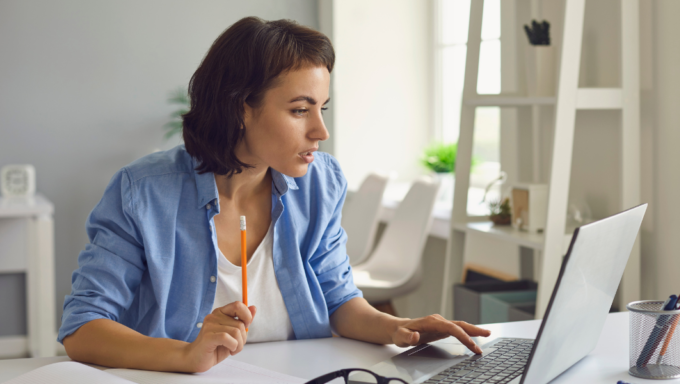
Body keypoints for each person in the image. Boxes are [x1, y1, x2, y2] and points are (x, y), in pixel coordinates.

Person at [59, 17, 490, 373]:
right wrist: (185, 355)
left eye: (322, 108)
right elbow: (83, 328)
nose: (320, 131)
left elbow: (339, 299)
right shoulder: (144, 192)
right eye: (300, 110)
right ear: (240, 107)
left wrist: (401, 329)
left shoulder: (321, 181)